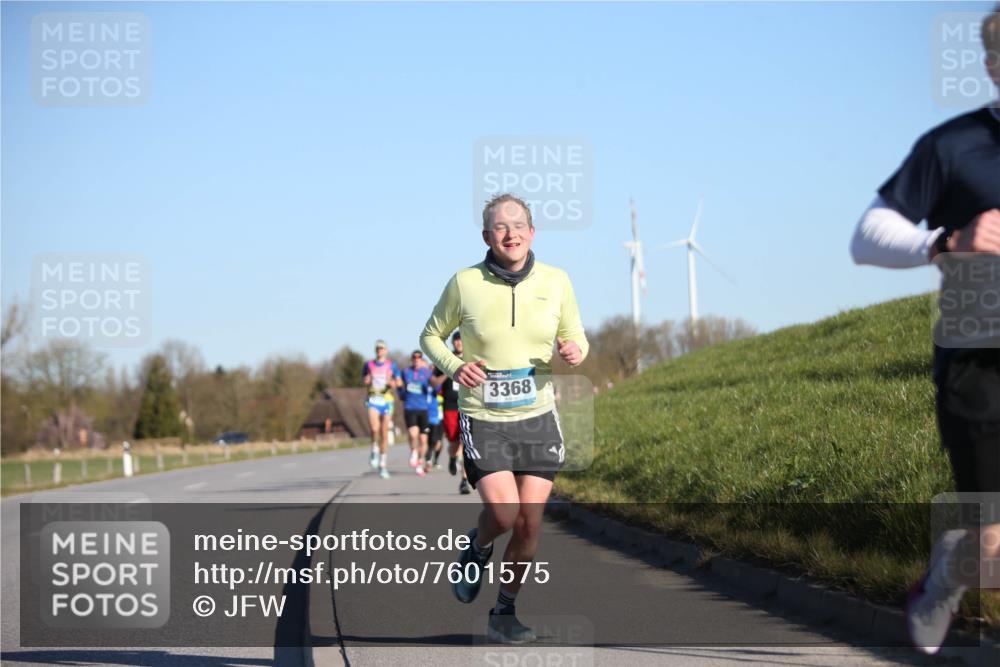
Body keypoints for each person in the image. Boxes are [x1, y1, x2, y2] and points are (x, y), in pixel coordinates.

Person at [850, 6, 1000, 654]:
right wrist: (946, 241)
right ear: (993, 65)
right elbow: (866, 236)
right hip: (978, 355)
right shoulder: (953, 145)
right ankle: (951, 571)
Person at [421, 192, 588, 644]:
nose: (510, 233)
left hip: (537, 414)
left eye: (518, 225)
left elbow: (575, 335)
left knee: (530, 522)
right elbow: (430, 336)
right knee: (504, 512)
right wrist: (456, 367)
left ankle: (504, 613)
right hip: (484, 413)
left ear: (532, 233)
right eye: (500, 226)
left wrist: (575, 350)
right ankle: (476, 547)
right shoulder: (464, 283)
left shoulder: (557, 281)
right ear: (486, 236)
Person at [432, 332, 471, 494]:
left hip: (469, 405)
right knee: (454, 443)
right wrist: (448, 373)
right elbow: (433, 382)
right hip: (450, 406)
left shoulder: (471, 358)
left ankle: (464, 481)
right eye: (456, 340)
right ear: (453, 343)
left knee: (466, 443)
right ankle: (452, 457)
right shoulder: (445, 359)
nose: (458, 343)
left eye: (461, 340)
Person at [361, 340, 401, 480]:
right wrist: (366, 380)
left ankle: (383, 465)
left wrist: (393, 383)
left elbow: (399, 382)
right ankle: (374, 449)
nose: (379, 350)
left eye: (382, 348)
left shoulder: (392, 365)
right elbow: (364, 380)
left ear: (386, 350)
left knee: (384, 433)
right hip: (373, 399)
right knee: (374, 429)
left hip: (387, 400)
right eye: (377, 348)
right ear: (375, 350)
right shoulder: (368, 364)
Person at [400, 350, 433, 476]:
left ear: (421, 359)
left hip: (423, 408)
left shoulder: (427, 372)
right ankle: (413, 451)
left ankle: (420, 460)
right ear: (412, 359)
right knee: (413, 434)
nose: (416, 359)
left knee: (423, 440)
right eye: (414, 357)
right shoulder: (406, 372)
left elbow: (435, 387)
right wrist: (401, 395)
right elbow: (400, 387)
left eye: (419, 357)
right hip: (409, 407)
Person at [425, 384, 445, 470]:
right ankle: (428, 460)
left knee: (439, 443)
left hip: (441, 420)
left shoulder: (443, 395)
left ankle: (435, 460)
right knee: (431, 441)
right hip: (430, 419)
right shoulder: (429, 394)